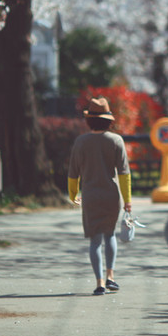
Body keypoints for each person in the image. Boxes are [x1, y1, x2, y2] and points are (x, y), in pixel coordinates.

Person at [67, 97, 133, 296]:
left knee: (95, 241)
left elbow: (73, 172)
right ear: (108, 120)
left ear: (89, 121)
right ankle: (111, 276)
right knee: (110, 235)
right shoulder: (116, 141)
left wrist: (73, 195)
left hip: (90, 196)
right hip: (111, 196)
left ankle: (99, 282)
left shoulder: (81, 142)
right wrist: (127, 200)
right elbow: (124, 173)